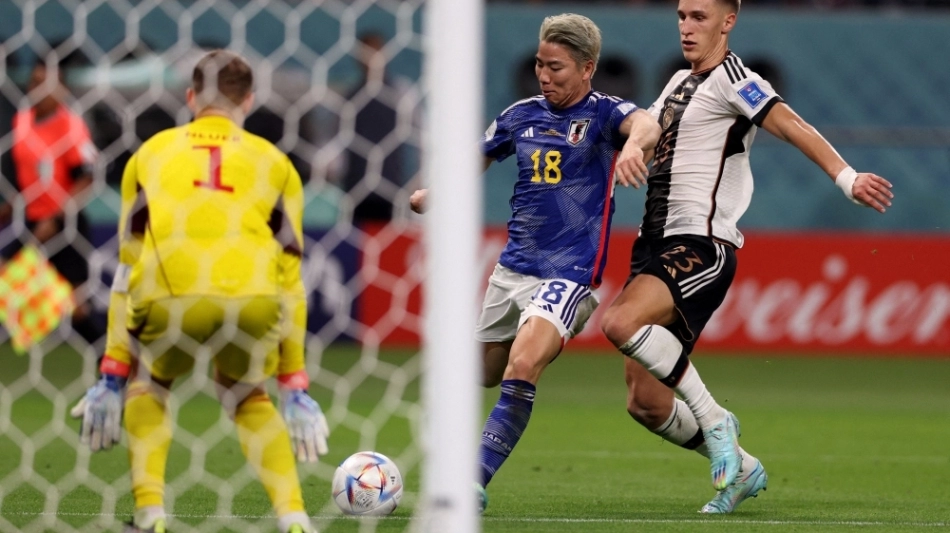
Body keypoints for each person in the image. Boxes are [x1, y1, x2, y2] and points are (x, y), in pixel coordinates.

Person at [598, 0, 894, 514]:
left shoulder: (735, 78)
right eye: (682, 15)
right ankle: (744, 466)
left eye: (699, 17)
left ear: (728, 21)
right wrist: (627, 151)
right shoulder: (675, 82)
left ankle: (715, 419)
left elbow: (790, 124)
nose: (686, 27)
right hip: (653, 242)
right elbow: (650, 141)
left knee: (620, 321)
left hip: (701, 244)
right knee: (645, 401)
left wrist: (846, 176)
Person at [410, 13, 661, 511]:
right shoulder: (520, 115)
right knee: (483, 373)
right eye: (540, 65)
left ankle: (471, 483)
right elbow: (475, 158)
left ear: (588, 68)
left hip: (569, 274)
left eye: (557, 68)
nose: (545, 77)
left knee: (523, 364)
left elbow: (648, 124)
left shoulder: (605, 115)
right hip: (512, 270)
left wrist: (634, 146)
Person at [74, 50, 329, 533]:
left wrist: (112, 371)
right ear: (249, 101)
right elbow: (291, 278)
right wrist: (294, 382)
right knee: (248, 394)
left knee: (149, 382)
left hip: (172, 295)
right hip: (253, 298)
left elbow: (128, 271)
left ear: (191, 97)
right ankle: (294, 518)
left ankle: (150, 516)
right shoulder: (276, 163)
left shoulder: (150, 153)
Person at [0, 57, 104, 348]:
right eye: (33, 83)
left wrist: (57, 218)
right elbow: (27, 175)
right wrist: (9, 210)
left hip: (64, 224)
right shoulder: (21, 122)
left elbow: (87, 178)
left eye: (45, 84)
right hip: (31, 219)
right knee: (5, 277)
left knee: (79, 305)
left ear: (63, 90)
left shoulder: (71, 126)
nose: (37, 90)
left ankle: (107, 360)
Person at [341, 32, 413, 222]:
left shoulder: (401, 92)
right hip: (356, 188)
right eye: (367, 51)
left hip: (392, 188)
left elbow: (420, 137)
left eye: (377, 50)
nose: (372, 57)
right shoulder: (349, 96)